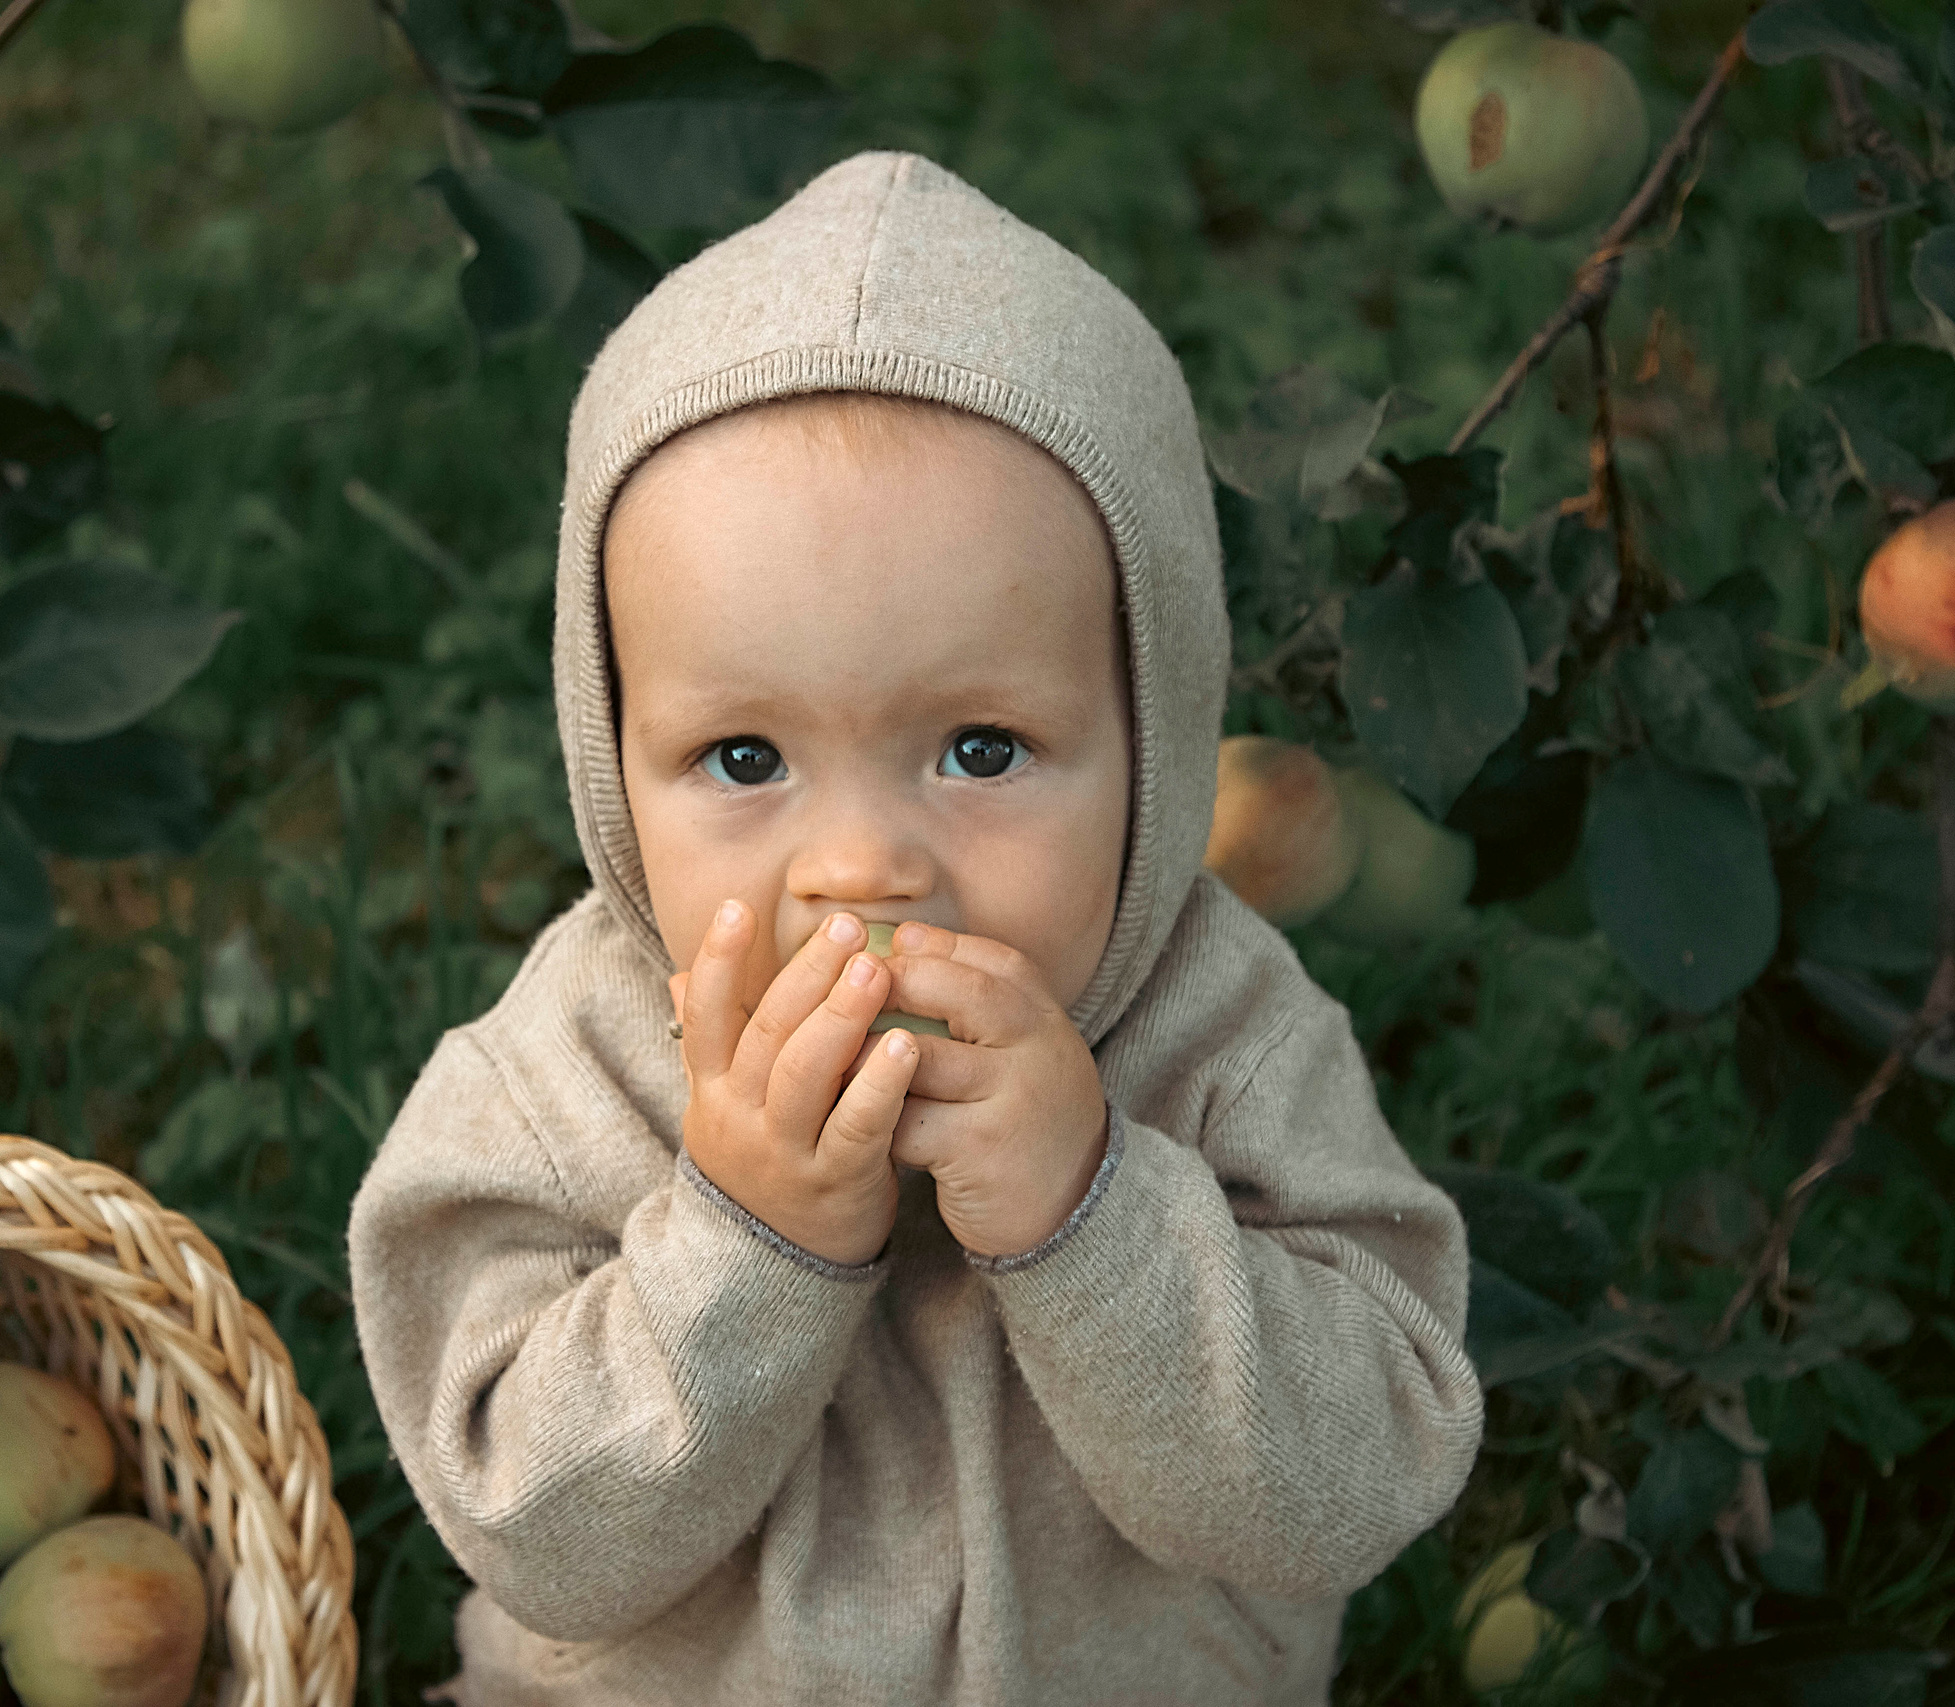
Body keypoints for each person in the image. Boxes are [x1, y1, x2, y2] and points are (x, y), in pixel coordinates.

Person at [347, 149, 1483, 1706]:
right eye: (745, 761)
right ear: (609, 753)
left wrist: (1098, 1218)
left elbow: (1352, 1493)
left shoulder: (1227, 1038)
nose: (864, 869)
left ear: (1152, 735)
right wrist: (745, 1244)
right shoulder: (572, 1074)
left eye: (982, 751)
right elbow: (536, 1535)